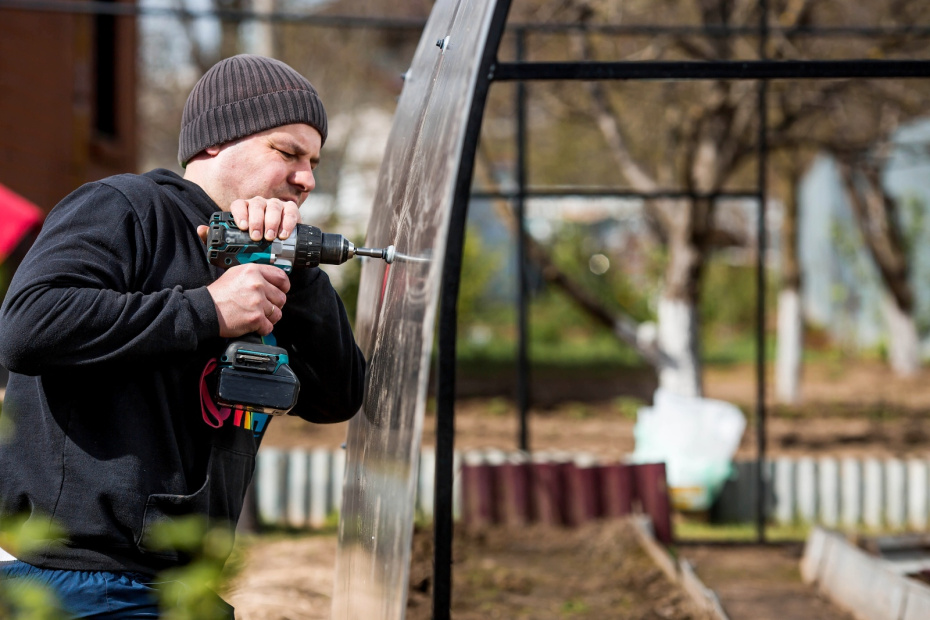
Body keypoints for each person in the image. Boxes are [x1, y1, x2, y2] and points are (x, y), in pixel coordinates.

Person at [0, 54, 366, 617]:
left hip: (180, 587)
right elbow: (29, 325)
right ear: (216, 142)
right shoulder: (124, 208)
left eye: (314, 161)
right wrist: (208, 311)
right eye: (288, 152)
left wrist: (302, 269)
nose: (307, 179)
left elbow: (337, 397)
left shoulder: (270, 259)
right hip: (77, 580)